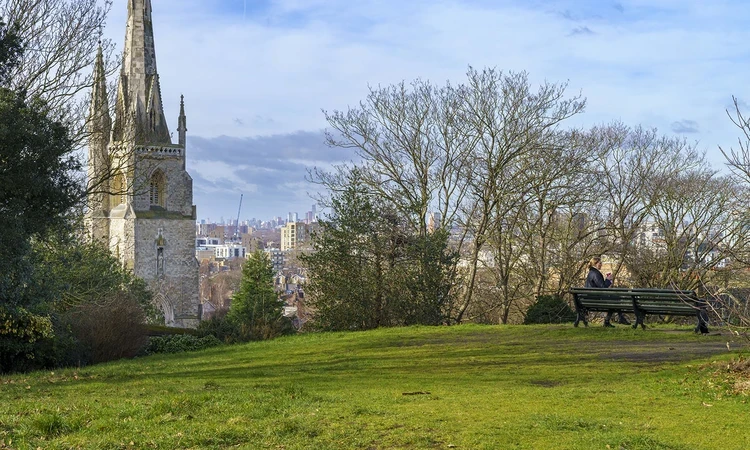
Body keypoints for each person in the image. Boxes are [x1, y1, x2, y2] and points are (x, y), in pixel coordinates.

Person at [584, 256, 628, 327]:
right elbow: (603, 287)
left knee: (615, 298)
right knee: (616, 298)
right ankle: (615, 319)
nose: (601, 264)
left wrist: (608, 281)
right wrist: (608, 280)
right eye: (600, 263)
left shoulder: (591, 273)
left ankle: (618, 318)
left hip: (591, 298)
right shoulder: (595, 273)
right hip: (596, 298)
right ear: (595, 264)